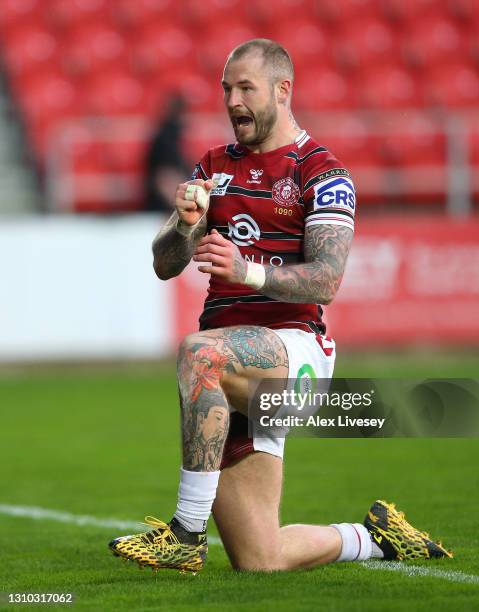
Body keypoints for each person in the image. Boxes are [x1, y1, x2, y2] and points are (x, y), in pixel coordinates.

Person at [109, 39, 451, 572]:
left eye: (246, 87)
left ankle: (184, 534)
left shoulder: (322, 172)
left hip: (298, 357)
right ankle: (376, 537)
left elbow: (326, 279)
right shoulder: (214, 167)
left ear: (282, 90)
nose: (232, 100)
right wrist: (183, 223)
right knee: (260, 560)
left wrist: (246, 270)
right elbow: (164, 264)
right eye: (226, 89)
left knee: (199, 354)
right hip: (235, 374)